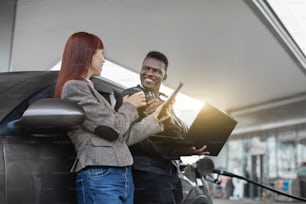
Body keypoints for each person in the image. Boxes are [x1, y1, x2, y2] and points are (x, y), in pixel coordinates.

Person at [54, 32, 171, 204]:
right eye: (100, 52)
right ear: (86, 54)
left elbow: (120, 137)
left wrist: (156, 119)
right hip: (101, 174)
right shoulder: (74, 87)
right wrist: (130, 106)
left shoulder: (91, 90)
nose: (103, 59)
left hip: (119, 174)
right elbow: (114, 127)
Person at [115, 51, 209, 204]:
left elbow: (181, 132)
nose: (149, 73)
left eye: (156, 71)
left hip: (170, 173)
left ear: (164, 77)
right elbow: (129, 138)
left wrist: (183, 146)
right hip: (145, 173)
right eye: (146, 68)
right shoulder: (131, 96)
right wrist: (174, 151)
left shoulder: (164, 102)